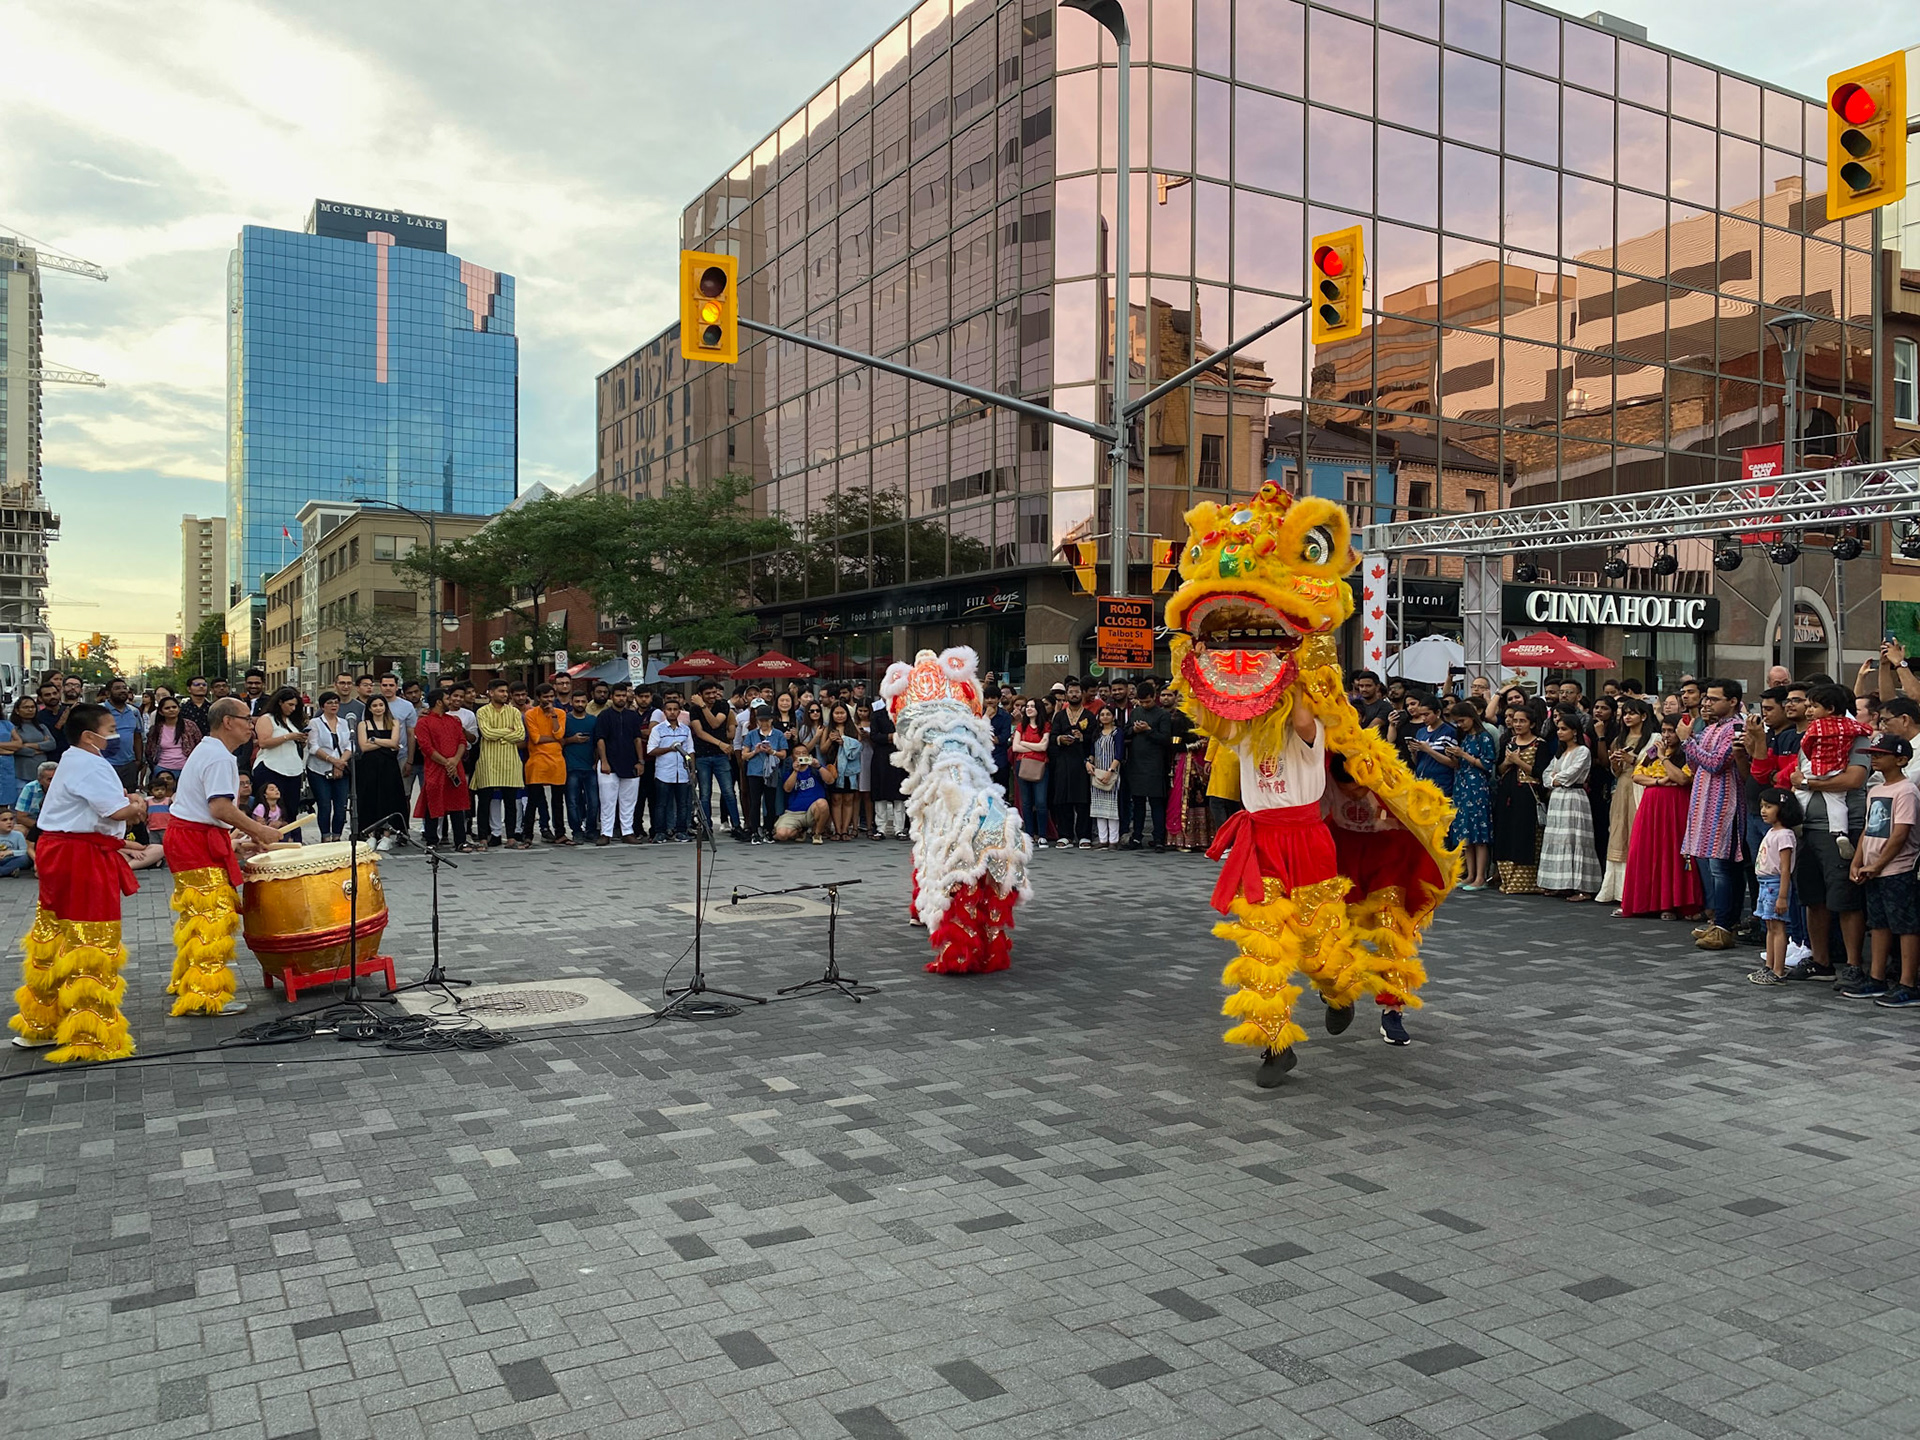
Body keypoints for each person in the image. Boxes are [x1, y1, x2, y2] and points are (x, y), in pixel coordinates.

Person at [7, 703, 147, 1060]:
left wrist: (122, 832)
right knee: (90, 939)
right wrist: (137, 803)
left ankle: (42, 1022)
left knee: (54, 936)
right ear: (90, 735)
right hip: (80, 857)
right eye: (111, 727)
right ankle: (89, 1033)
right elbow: (115, 812)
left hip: (64, 851)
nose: (116, 734)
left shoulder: (71, 758)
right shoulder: (91, 763)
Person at [162, 697, 286, 1019]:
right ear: (228, 721)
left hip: (192, 837)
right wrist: (260, 831)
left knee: (196, 916)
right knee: (211, 917)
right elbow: (219, 808)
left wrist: (233, 844)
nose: (252, 724)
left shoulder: (210, 751)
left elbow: (206, 813)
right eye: (247, 718)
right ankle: (206, 995)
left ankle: (191, 983)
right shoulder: (219, 757)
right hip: (193, 841)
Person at [1790, 683, 1873, 984]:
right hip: (1808, 829)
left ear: (1833, 708)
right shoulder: (1809, 738)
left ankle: (1853, 965)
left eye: (1813, 705)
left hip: (1841, 828)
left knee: (1846, 898)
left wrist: (1809, 784)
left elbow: (1854, 779)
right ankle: (1821, 961)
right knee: (1813, 898)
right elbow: (1797, 775)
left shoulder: (1856, 737)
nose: (1808, 711)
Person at [1838, 736, 1920, 1003]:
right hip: (1874, 868)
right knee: (1878, 923)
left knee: (1906, 926)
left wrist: (1879, 863)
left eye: (1880, 754)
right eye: (1872, 754)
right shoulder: (1875, 790)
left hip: (1898, 868)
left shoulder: (1906, 790)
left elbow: (1901, 832)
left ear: (1900, 759)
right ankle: (1877, 978)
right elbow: (1869, 829)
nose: (1874, 758)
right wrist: (1858, 860)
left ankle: (1908, 983)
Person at [1679, 679, 1747, 951]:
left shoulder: (1736, 728)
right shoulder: (1710, 728)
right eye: (1706, 698)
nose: (1707, 703)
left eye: (1714, 699)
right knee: (1714, 866)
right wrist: (1692, 743)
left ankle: (1725, 925)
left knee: (1723, 868)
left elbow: (1717, 763)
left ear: (1732, 701)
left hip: (1725, 805)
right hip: (1704, 802)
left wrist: (1688, 741)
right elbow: (1694, 764)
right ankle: (1720, 921)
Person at [1620, 718, 1705, 920]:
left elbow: (1683, 779)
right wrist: (1659, 781)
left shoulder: (1687, 753)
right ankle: (1648, 903)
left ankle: (1673, 903)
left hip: (1676, 807)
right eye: (1664, 731)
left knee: (1672, 852)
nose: (1666, 735)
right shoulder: (1652, 752)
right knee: (1646, 851)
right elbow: (1637, 776)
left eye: (1671, 731)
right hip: (1650, 807)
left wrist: (1663, 759)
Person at [1538, 716, 1601, 901]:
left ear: (1575, 731)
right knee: (1558, 838)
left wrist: (1555, 779)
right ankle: (1560, 884)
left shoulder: (1583, 751)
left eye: (1564, 729)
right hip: (1557, 799)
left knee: (1576, 839)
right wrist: (1553, 780)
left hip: (1574, 798)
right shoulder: (1561, 753)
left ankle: (1582, 888)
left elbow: (1570, 776)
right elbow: (1546, 775)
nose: (1559, 732)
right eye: (1558, 729)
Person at [1491, 703, 1548, 894]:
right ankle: (1507, 878)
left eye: (1522, 721)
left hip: (1527, 795)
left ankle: (1526, 882)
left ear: (1531, 724)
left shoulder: (1540, 744)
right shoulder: (1509, 742)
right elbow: (1499, 770)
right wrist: (1507, 762)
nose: (1517, 724)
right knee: (1507, 834)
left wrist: (1519, 762)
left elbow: (1540, 773)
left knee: (1525, 836)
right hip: (1507, 794)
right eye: (1515, 720)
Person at [413, 687, 474, 852]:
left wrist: (454, 760)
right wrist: (447, 763)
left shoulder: (454, 721)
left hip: (456, 767)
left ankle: (460, 841)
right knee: (433, 804)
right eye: (448, 698)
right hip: (435, 768)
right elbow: (426, 748)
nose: (451, 701)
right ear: (439, 701)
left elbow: (462, 742)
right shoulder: (423, 722)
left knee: (457, 805)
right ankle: (432, 841)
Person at [1120, 678, 1174, 850]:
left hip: (1155, 765)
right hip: (1136, 764)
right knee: (1138, 803)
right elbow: (1126, 731)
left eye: (1148, 701)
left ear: (1154, 697)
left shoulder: (1163, 715)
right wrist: (1134, 730)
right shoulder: (1136, 712)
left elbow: (1166, 739)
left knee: (1156, 803)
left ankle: (1159, 838)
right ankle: (1137, 837)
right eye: (1142, 701)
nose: (1144, 704)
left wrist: (1149, 731)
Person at [1446, 701, 1495, 889]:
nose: (1460, 725)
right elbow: (1459, 765)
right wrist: (1454, 756)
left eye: (1462, 721)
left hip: (1477, 787)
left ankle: (1480, 876)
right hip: (1462, 786)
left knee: (1479, 833)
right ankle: (1471, 874)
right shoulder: (1465, 738)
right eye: (1457, 722)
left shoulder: (1484, 737)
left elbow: (1487, 765)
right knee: (1466, 832)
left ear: (1472, 717)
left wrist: (1464, 755)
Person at [690, 679, 745, 841]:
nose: (713, 696)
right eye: (708, 694)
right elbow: (699, 732)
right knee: (705, 794)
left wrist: (703, 706)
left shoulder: (722, 705)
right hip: (703, 755)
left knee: (728, 792)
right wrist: (720, 743)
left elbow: (714, 724)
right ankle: (706, 827)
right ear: (700, 695)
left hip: (721, 756)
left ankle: (736, 825)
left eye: (714, 692)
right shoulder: (694, 710)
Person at [251, 687, 308, 841]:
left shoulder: (291, 721)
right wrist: (288, 737)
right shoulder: (267, 718)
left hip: (292, 769)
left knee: (290, 810)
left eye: (295, 705)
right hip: (271, 767)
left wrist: (300, 740)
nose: (293, 708)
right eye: (289, 704)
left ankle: (293, 841)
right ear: (280, 702)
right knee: (269, 808)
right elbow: (263, 742)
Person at [592, 686, 646, 845]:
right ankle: (606, 833)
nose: (621, 698)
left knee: (629, 801)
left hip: (630, 762)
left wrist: (640, 761)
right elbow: (600, 740)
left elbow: (637, 739)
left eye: (624, 695)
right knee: (607, 800)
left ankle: (627, 832)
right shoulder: (604, 716)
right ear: (612, 697)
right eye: (618, 695)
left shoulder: (633, 716)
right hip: (609, 764)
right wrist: (604, 761)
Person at [353, 694, 409, 845]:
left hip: (389, 767)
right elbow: (364, 747)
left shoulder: (394, 722)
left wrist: (374, 740)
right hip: (369, 767)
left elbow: (394, 742)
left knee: (389, 799)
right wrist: (387, 744)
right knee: (370, 799)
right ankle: (371, 834)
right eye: (375, 706)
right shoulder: (363, 724)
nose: (378, 708)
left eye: (381, 705)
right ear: (369, 708)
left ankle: (386, 835)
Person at [520, 684, 569, 845]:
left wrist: (553, 716)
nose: (548, 700)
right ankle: (528, 835)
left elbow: (559, 734)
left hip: (557, 761)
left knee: (557, 801)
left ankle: (560, 834)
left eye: (550, 696)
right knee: (533, 801)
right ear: (538, 698)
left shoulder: (560, 713)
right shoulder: (531, 714)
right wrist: (555, 739)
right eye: (545, 697)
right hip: (537, 761)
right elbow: (535, 738)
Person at [1049, 678, 1095, 849]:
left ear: (1082, 694)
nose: (1074, 695)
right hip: (1063, 761)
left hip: (1081, 762)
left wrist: (1083, 738)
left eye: (1077, 692)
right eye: (1071, 692)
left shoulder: (1089, 716)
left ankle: (1084, 835)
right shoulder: (1060, 716)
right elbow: (1052, 737)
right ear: (1066, 695)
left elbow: (1095, 737)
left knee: (1083, 800)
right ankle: (1065, 835)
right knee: (1062, 799)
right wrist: (1061, 739)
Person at [648, 693, 696, 842]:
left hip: (682, 772)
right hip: (664, 772)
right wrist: (669, 749)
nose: (672, 712)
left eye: (675, 709)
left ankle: (681, 831)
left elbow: (690, 750)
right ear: (664, 712)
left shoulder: (685, 730)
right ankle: (660, 832)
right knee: (661, 804)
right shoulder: (658, 730)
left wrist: (692, 770)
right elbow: (651, 750)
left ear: (679, 712)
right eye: (669, 709)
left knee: (683, 804)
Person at [306, 692, 353, 842]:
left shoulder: (344, 723)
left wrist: (340, 763)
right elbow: (313, 746)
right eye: (330, 703)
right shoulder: (315, 723)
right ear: (322, 706)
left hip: (341, 767)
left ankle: (337, 837)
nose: (334, 705)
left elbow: (350, 746)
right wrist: (333, 761)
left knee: (341, 806)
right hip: (319, 769)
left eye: (336, 702)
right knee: (325, 805)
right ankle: (325, 836)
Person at [740, 703, 788, 843]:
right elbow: (744, 755)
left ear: (772, 719)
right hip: (755, 772)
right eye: (761, 720)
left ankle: (768, 829)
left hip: (771, 771)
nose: (764, 723)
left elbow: (783, 754)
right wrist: (756, 751)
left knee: (770, 802)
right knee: (755, 802)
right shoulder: (751, 734)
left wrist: (772, 751)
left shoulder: (778, 734)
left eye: (766, 720)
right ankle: (754, 831)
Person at [774, 740, 834, 842]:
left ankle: (817, 833)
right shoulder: (789, 772)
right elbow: (787, 789)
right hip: (793, 813)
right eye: (797, 754)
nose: (801, 755)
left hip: (812, 811)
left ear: (809, 755)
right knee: (782, 835)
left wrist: (819, 766)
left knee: (822, 803)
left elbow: (830, 780)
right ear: (793, 757)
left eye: (804, 753)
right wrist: (795, 771)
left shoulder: (815, 769)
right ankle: (800, 831)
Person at [1011, 698, 1050, 847]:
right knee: (1026, 802)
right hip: (1023, 764)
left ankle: (1042, 835)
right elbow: (1015, 748)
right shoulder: (1021, 726)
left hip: (1040, 765)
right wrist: (1035, 746)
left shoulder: (1045, 726)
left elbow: (1043, 747)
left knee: (1041, 801)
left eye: (1032, 706)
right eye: (1027, 706)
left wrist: (1024, 744)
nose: (1029, 709)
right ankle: (1029, 834)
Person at [561, 691, 600, 842]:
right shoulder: (565, 719)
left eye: (583, 701)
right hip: (571, 767)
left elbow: (598, 742)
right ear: (571, 702)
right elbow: (559, 741)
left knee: (593, 801)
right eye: (577, 701)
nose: (580, 704)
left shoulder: (593, 720)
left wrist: (597, 761)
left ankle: (591, 829)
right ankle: (576, 830)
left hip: (590, 767)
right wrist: (572, 739)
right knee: (572, 801)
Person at [144, 694, 201, 785]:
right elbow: (149, 750)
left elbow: (199, 745)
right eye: (167, 708)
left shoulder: (190, 726)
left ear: (179, 709)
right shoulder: (156, 729)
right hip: (162, 769)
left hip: (187, 768)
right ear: (161, 712)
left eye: (174, 707)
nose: (171, 710)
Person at [7, 696, 55, 803]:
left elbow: (52, 744)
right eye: (26, 707)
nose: (30, 710)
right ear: (17, 710)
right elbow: (16, 748)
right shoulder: (12, 728)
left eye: (32, 707)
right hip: (21, 774)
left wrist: (28, 745)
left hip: (41, 775)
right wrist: (38, 749)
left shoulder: (42, 727)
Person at [1088, 707, 1122, 847]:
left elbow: (1119, 753)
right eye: (1102, 714)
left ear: (1113, 717)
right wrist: (1088, 763)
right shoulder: (1096, 733)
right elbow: (1091, 752)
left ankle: (1113, 840)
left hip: (1112, 772)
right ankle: (1103, 840)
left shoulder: (1117, 733)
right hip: (1097, 773)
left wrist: (1110, 771)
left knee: (1112, 807)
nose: (1105, 717)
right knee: (1098, 806)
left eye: (1108, 714)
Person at [16, 760, 56, 824]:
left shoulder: (66, 789)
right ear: (40, 780)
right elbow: (21, 817)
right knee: (19, 830)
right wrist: (39, 828)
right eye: (50, 779)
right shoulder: (30, 788)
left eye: (56, 778)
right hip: (34, 823)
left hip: (58, 825)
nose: (54, 782)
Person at [0, 807, 31, 879]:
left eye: (11, 819)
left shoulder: (18, 835)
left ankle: (3, 871)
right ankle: (9, 871)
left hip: (12, 860)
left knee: (25, 859)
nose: (9, 822)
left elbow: (25, 852)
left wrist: (10, 852)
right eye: (4, 820)